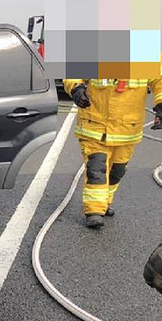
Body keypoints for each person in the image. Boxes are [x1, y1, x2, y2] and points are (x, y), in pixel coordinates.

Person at [63, 77, 162, 227]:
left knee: (117, 171)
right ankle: (94, 211)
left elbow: (159, 80)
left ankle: (105, 201)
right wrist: (76, 88)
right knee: (97, 169)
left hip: (127, 130)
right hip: (94, 127)